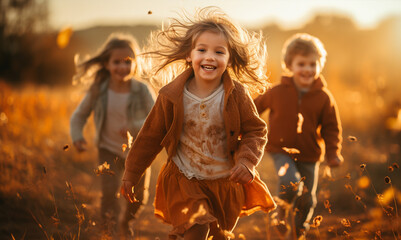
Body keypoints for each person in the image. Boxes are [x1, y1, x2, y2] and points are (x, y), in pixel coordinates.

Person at [121, 7, 276, 240]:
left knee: (219, 235)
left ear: (229, 58)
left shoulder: (237, 94)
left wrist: (247, 162)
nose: (210, 56)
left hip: (224, 182)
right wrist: (131, 173)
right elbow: (150, 137)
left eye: (219, 51)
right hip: (184, 179)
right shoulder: (171, 96)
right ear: (189, 55)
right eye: (201, 49)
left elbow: (256, 130)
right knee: (197, 229)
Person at [254, 33, 344, 239]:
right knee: (290, 180)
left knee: (307, 199)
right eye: (301, 63)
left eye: (312, 64)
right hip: (280, 150)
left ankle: (296, 233)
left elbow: (331, 128)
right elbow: (253, 109)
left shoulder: (324, 97)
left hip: (310, 155)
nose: (307, 69)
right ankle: (281, 212)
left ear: (319, 65)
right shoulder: (276, 92)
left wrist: (333, 153)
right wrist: (240, 131)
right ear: (290, 65)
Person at [70, 33, 155, 238]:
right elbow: (79, 116)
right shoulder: (99, 89)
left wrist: (133, 126)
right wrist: (77, 136)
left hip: (138, 152)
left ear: (135, 64)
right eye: (116, 62)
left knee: (139, 197)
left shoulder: (142, 90)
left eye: (128, 62)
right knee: (109, 193)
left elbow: (156, 120)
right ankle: (108, 229)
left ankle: (126, 221)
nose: (122, 67)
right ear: (106, 64)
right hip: (107, 150)